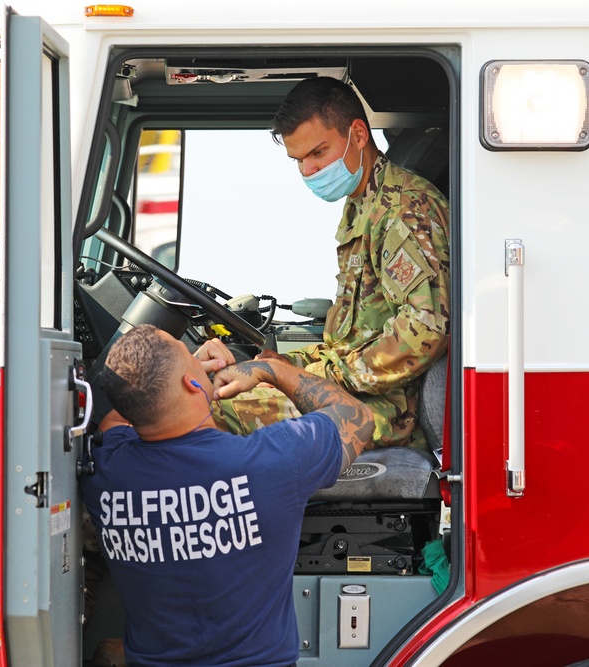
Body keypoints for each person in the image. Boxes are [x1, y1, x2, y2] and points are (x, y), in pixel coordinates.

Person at [81, 324, 374, 667]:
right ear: (192, 383)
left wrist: (179, 372)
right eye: (187, 354)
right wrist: (271, 369)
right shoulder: (274, 462)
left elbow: (120, 417)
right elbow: (357, 418)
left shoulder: (103, 473)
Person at [213, 76, 450, 451]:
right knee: (217, 392)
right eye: (299, 160)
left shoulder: (404, 210)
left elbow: (425, 330)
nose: (308, 171)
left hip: (383, 407)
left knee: (215, 412)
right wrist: (284, 363)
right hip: (354, 393)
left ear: (358, 135)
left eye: (318, 153)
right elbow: (353, 338)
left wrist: (309, 375)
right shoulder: (362, 204)